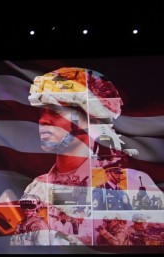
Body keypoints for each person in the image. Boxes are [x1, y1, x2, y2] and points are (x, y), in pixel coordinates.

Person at [18, 66, 164, 246]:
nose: (43, 120)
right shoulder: (37, 188)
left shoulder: (131, 183)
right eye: (42, 112)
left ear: (88, 118)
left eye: (55, 112)